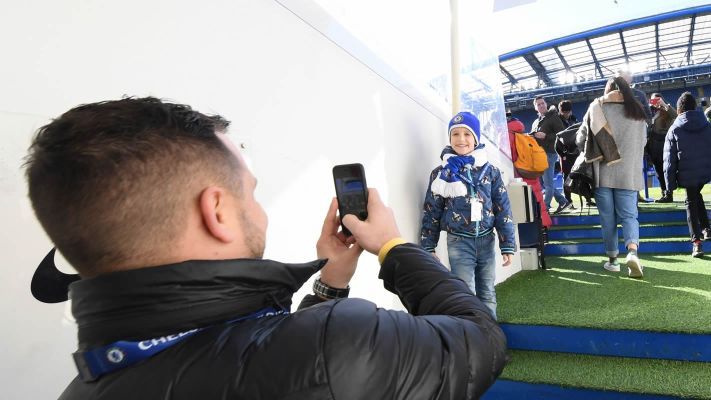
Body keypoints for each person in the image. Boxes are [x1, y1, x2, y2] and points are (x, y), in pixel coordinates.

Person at [25, 97, 507, 399]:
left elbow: (249, 342)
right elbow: (480, 339)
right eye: (250, 191)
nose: (259, 207)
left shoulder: (80, 386)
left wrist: (330, 281)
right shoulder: (340, 345)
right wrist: (392, 246)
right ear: (216, 211)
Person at [421, 111, 516, 320]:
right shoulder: (441, 174)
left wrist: (507, 244)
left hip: (486, 241)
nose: (461, 139)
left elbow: (503, 209)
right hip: (458, 243)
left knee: (488, 294)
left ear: (476, 138)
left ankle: (491, 340)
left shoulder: (491, 171)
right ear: (449, 138)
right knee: (465, 294)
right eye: (455, 134)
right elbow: (432, 211)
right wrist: (428, 245)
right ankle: (473, 340)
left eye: (467, 134)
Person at [576, 77, 647, 278]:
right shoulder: (637, 111)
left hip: (602, 174)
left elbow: (581, 140)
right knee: (629, 216)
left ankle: (613, 260)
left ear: (607, 89)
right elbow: (643, 142)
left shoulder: (595, 107)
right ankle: (632, 252)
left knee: (608, 219)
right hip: (628, 175)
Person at [663, 92, 711, 257]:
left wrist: (669, 187)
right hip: (705, 172)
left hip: (687, 174)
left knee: (690, 201)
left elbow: (669, 160)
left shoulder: (674, 128)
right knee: (696, 194)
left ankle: (696, 243)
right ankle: (706, 228)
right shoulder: (707, 124)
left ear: (678, 109)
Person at [507, 112, 553, 228]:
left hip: (519, 174)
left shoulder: (506, 135)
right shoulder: (522, 133)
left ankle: (533, 233)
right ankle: (545, 224)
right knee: (538, 201)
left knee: (526, 206)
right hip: (532, 172)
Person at [531, 96, 570, 214]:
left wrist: (546, 136)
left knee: (547, 183)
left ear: (546, 104)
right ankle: (563, 201)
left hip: (549, 153)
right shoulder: (536, 122)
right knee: (546, 182)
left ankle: (545, 208)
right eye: (538, 104)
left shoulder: (553, 117)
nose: (541, 106)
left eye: (542, 103)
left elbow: (562, 134)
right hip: (539, 154)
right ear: (535, 108)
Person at [647, 93, 677, 203]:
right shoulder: (649, 111)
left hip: (664, 143)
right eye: (652, 100)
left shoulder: (667, 110)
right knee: (659, 172)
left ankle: (669, 194)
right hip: (653, 145)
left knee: (666, 171)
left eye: (657, 100)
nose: (655, 103)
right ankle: (664, 193)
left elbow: (675, 115)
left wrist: (664, 105)